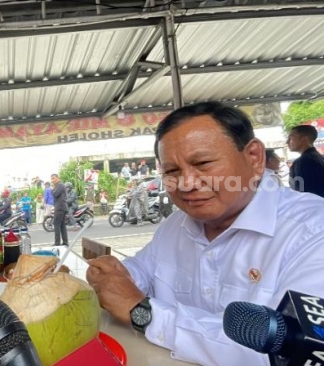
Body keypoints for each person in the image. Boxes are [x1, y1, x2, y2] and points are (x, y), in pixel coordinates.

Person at [86, 102, 324, 365]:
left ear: (254, 157)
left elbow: (284, 353)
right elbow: (143, 271)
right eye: (172, 171)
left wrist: (143, 313)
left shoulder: (313, 232)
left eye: (203, 163)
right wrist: (115, 275)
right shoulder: (177, 224)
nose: (186, 183)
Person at [287, 124, 324, 197]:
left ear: (304, 140)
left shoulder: (304, 162)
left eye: (290, 138)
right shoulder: (318, 157)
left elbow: (302, 194)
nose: (287, 142)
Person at [51, 174, 68, 246]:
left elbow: (55, 194)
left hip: (60, 207)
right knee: (62, 225)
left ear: (58, 178)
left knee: (56, 224)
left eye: (54, 178)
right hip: (60, 207)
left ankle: (57, 243)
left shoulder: (60, 185)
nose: (52, 180)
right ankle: (65, 242)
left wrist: (52, 190)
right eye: (51, 179)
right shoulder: (58, 185)